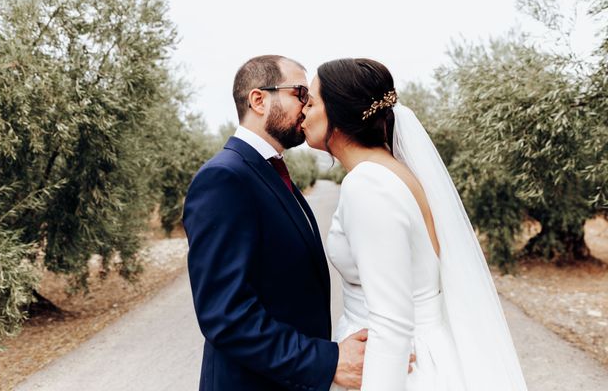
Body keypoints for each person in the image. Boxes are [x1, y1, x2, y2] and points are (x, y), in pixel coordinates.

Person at [301, 58, 528, 390]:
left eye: (311, 102)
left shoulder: (368, 185)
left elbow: (392, 322)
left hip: (401, 371)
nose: (303, 113)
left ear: (338, 110)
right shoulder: (395, 172)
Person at [183, 55, 367, 391]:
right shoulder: (224, 178)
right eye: (299, 93)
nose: (307, 104)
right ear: (258, 99)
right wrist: (326, 361)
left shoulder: (268, 171)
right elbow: (225, 315)